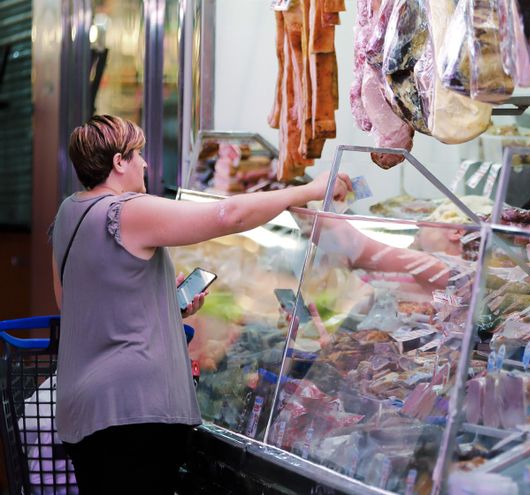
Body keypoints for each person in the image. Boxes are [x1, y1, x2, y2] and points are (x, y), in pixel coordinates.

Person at [50, 115, 351, 494]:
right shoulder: (127, 210)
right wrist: (305, 191)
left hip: (84, 413)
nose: (145, 163)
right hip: (133, 413)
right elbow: (229, 215)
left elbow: (77, 305)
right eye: (138, 154)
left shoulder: (68, 215)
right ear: (118, 163)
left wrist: (164, 305)